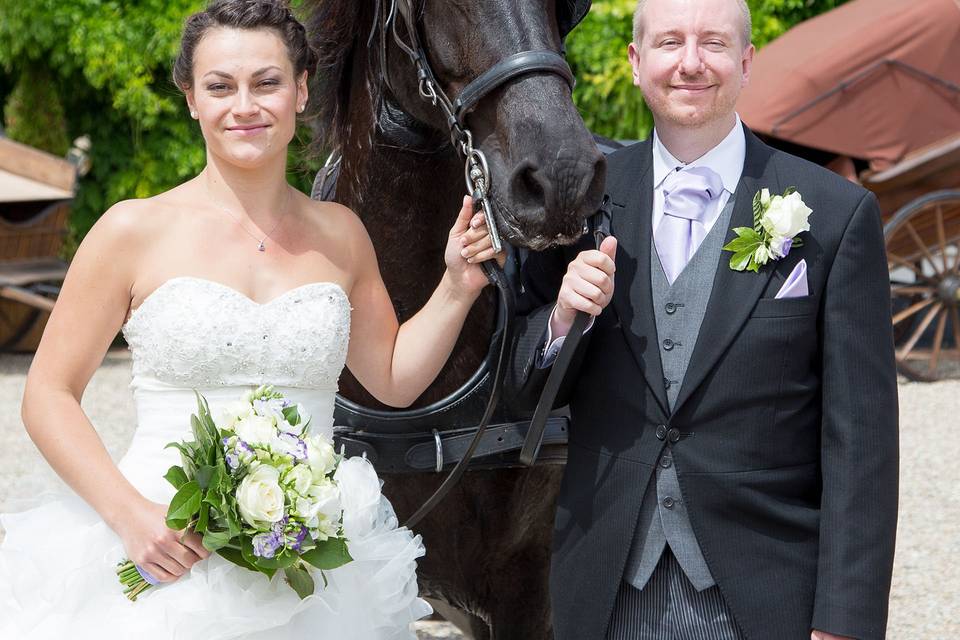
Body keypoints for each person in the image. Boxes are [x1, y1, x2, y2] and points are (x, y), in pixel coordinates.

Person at [0, 1, 501, 638]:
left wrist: (456, 286)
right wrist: (131, 517)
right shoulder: (132, 229)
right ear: (190, 98)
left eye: (266, 82)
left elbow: (394, 380)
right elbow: (47, 394)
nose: (245, 106)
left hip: (312, 569)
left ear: (300, 90)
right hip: (163, 547)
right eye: (219, 86)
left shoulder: (342, 233)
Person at [506, 0, 898, 638]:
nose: (691, 63)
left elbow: (862, 442)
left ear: (746, 62)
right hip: (605, 586)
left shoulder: (834, 214)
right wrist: (558, 321)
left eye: (713, 43)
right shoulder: (579, 202)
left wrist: (845, 619)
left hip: (765, 589)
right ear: (636, 63)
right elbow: (520, 385)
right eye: (669, 43)